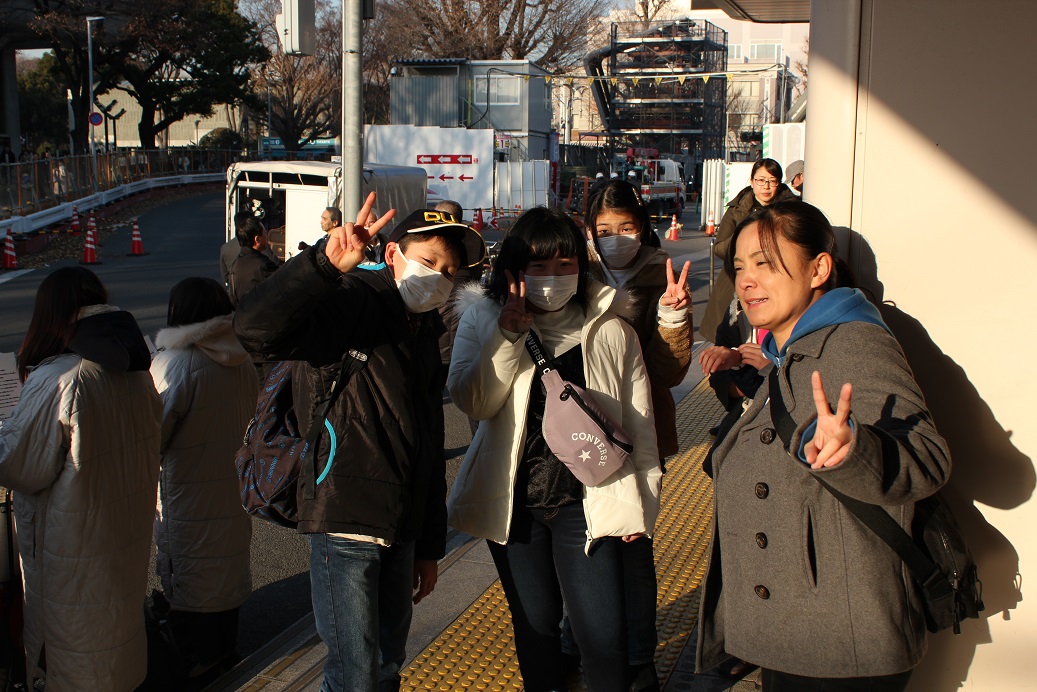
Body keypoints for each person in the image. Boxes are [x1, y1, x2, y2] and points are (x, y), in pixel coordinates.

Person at [695, 202, 951, 692]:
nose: (746, 281)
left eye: (765, 263)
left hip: (840, 644)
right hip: (803, 629)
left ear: (819, 268)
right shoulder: (791, 349)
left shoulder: (852, 343)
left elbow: (927, 456)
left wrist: (855, 451)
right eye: (740, 267)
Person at [234, 195, 485, 692]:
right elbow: (255, 328)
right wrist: (322, 265)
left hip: (401, 528)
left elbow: (429, 444)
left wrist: (429, 544)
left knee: (387, 665)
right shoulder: (353, 300)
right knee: (355, 675)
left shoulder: (426, 330)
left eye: (450, 271)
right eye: (428, 261)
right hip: (345, 520)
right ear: (393, 254)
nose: (438, 277)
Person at [447, 206, 662, 692]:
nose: (551, 278)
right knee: (536, 628)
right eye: (538, 266)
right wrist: (506, 336)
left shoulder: (609, 330)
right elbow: (475, 403)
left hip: (587, 502)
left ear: (580, 269)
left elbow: (640, 424)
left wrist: (642, 505)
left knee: (602, 635)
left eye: (564, 264)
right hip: (515, 505)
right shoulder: (482, 320)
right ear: (514, 273)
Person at [0, 267, 161, 691]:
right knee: (114, 640)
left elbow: (20, 466)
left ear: (49, 313)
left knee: (73, 658)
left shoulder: (59, 377)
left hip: (71, 551)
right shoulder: (134, 369)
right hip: (118, 539)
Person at [581, 180, 693, 689]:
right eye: (604, 229)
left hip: (642, 426)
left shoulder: (658, 272)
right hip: (580, 432)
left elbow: (669, 372)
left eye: (626, 227)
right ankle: (581, 640)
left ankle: (639, 655)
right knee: (586, 542)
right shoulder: (572, 270)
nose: (616, 238)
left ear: (643, 225)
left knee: (634, 544)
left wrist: (673, 316)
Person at [149, 277, 259, 682]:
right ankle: (223, 652)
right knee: (224, 566)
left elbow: (151, 434)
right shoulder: (241, 357)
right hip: (232, 483)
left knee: (191, 572)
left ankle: (198, 663)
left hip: (187, 491)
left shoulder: (175, 363)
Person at [699, 158, 800, 344]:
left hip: (776, 282)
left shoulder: (791, 209)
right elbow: (720, 248)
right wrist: (745, 237)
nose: (766, 186)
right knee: (732, 342)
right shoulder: (738, 209)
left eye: (772, 181)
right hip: (736, 283)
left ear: (779, 183)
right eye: (761, 180)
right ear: (752, 181)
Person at [228, 215, 278, 307]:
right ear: (257, 239)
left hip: (240, 317)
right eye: (265, 233)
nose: (267, 237)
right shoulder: (263, 265)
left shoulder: (235, 265)